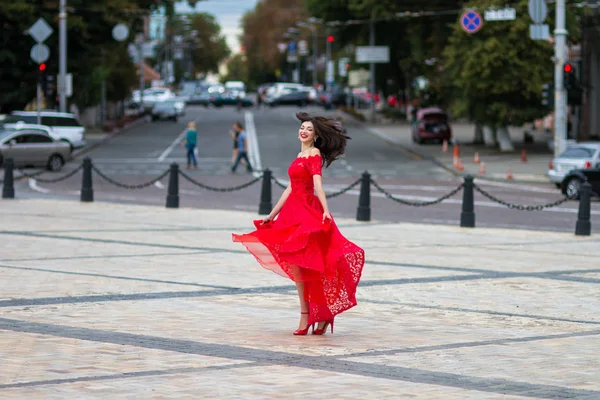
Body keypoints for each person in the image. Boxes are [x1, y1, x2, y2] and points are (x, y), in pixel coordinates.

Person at [232, 112, 365, 336]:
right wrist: (272, 214)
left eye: (309, 129)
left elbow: (318, 186)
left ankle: (319, 314)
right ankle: (308, 313)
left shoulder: (313, 155)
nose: (303, 131)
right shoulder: (300, 154)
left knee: (313, 266)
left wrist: (326, 211)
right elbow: (290, 187)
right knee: (297, 266)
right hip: (292, 214)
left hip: (307, 214)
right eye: (302, 127)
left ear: (315, 136)